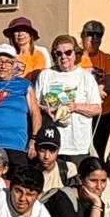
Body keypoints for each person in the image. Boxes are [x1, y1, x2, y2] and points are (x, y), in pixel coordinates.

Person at [36, 34, 103, 168]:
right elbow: (34, 104)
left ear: (76, 53)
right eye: (59, 53)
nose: (63, 57)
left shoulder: (86, 77)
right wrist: (45, 109)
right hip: (51, 145)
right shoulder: (45, 75)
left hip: (77, 145)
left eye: (68, 52)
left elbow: (97, 109)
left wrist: (74, 107)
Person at [78, 21, 110, 155]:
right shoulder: (75, 57)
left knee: (97, 150)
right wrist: (96, 89)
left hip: (104, 113)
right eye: (91, 34)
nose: (95, 38)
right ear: (83, 35)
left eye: (99, 35)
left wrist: (99, 89)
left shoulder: (107, 58)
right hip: (80, 111)